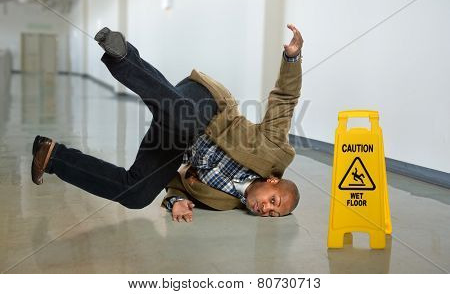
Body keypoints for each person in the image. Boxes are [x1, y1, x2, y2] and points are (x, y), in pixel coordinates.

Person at [31, 24, 304, 223]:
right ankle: (123, 57)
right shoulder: (273, 151)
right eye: (273, 201)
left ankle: (52, 156)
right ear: (273, 180)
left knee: (137, 195)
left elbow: (177, 182)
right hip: (206, 104)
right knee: (185, 121)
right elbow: (284, 101)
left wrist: (176, 201)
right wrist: (292, 58)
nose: (266, 208)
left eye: (272, 213)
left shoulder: (225, 202)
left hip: (175, 141)